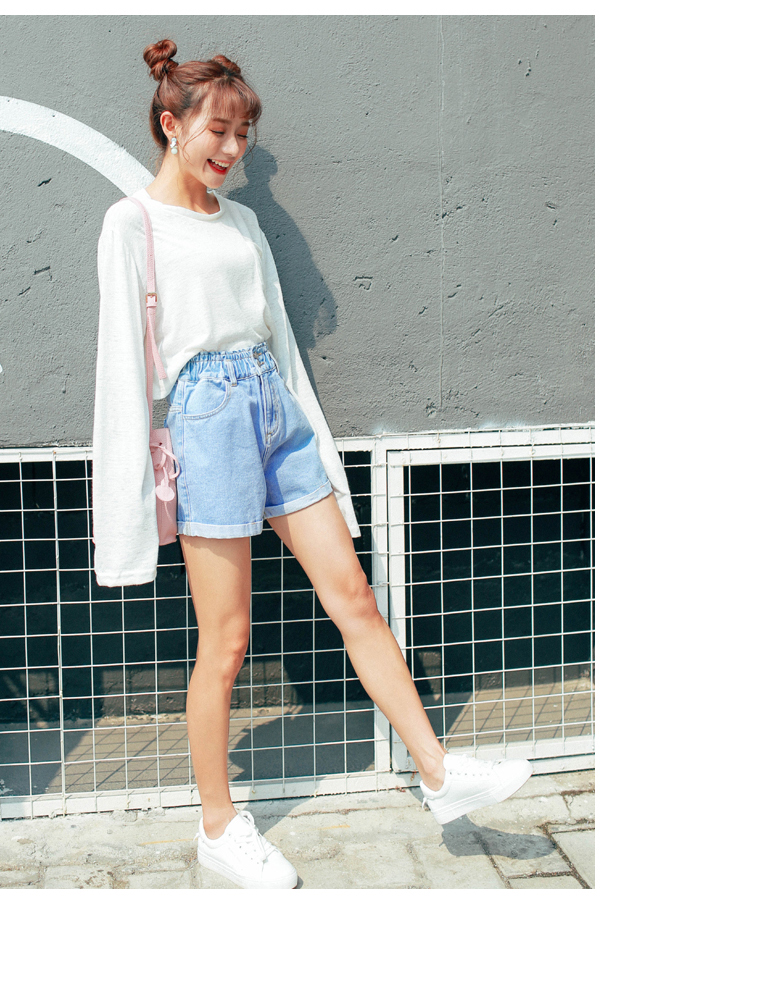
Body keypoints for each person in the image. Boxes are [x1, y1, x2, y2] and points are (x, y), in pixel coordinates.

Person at [91, 38, 532, 890]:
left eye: (243, 135)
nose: (232, 149)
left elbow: (282, 346)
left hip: (273, 407)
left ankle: (439, 772)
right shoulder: (131, 224)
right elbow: (123, 367)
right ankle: (219, 827)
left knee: (354, 596)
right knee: (227, 640)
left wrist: (310, 439)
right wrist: (127, 509)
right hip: (207, 419)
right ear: (171, 124)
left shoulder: (242, 223)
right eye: (218, 131)